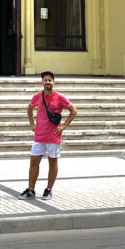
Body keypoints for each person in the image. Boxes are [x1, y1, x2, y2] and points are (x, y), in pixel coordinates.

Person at [19, 70, 77, 199]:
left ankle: (49, 189)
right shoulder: (37, 96)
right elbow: (29, 108)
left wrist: (64, 126)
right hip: (39, 136)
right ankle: (30, 190)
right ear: (42, 82)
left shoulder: (60, 97)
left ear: (53, 82)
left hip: (53, 137)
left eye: (50, 80)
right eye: (45, 80)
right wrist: (32, 124)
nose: (47, 82)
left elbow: (73, 111)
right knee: (34, 162)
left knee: (52, 162)